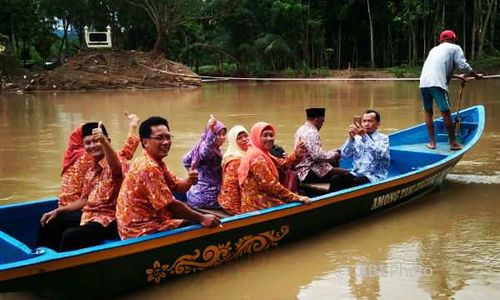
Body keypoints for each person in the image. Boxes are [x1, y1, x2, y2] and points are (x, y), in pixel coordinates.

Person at [38, 113, 140, 250]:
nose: (92, 146)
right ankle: (44, 259)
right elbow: (84, 200)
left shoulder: (115, 161)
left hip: (112, 218)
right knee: (51, 222)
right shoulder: (91, 169)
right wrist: (58, 211)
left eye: (96, 141)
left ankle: (64, 267)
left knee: (71, 235)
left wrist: (103, 141)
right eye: (88, 143)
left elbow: (116, 166)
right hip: (91, 214)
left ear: (107, 141)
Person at [116, 116, 220, 240]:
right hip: (139, 230)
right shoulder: (148, 167)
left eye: (168, 137)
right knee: (202, 225)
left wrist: (189, 181)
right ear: (145, 142)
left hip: (149, 219)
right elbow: (171, 206)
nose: (166, 142)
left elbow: (177, 186)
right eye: (160, 138)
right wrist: (202, 218)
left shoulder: (156, 161)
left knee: (194, 215)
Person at [419, 29, 482, 151]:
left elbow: (437, 69)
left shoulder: (434, 49)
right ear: (453, 39)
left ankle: (432, 143)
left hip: (424, 82)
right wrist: (475, 75)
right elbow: (463, 65)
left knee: (428, 111)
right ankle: (453, 143)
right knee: (446, 112)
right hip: (437, 83)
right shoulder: (455, 48)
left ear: (441, 40)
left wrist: (458, 76)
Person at [238, 122, 311, 213]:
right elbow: (272, 185)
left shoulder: (262, 152)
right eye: (265, 135)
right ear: (256, 137)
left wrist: (297, 154)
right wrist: (297, 198)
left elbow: (281, 164)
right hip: (257, 207)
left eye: (271, 135)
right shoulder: (257, 158)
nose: (269, 138)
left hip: (261, 201)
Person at [330, 110, 390, 192]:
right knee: (335, 179)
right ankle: (332, 201)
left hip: (374, 176)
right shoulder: (357, 138)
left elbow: (379, 154)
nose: (366, 124)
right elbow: (345, 155)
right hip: (357, 173)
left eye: (370, 121)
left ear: (378, 124)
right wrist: (351, 138)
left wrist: (364, 136)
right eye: (364, 121)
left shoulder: (383, 138)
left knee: (355, 183)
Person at [182, 115, 227, 209]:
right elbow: (207, 151)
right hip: (208, 198)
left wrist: (193, 174)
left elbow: (185, 160)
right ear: (210, 135)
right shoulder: (207, 149)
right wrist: (211, 131)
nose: (222, 137)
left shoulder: (198, 145)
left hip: (193, 195)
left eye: (223, 134)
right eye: (218, 134)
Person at [294, 107, 344, 184]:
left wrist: (331, 153)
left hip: (300, 169)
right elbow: (317, 157)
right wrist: (335, 154)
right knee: (347, 174)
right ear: (316, 120)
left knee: (333, 161)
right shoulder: (312, 132)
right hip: (308, 172)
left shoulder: (301, 129)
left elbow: (312, 153)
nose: (322, 125)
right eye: (322, 122)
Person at [217, 125, 250, 215]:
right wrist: (237, 210)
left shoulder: (248, 153)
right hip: (233, 203)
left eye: (246, 136)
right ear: (233, 142)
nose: (244, 139)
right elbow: (230, 187)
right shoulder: (235, 160)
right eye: (239, 138)